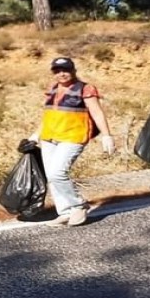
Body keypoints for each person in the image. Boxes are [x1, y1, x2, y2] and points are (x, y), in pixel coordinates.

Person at [27, 57, 115, 227]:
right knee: (52, 176)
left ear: (73, 70)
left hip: (73, 137)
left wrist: (107, 135)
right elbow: (49, 115)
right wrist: (35, 135)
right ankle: (65, 211)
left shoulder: (85, 89)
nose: (62, 74)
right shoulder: (52, 88)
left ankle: (78, 205)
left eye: (65, 70)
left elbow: (97, 113)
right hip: (49, 137)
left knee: (57, 173)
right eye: (57, 71)